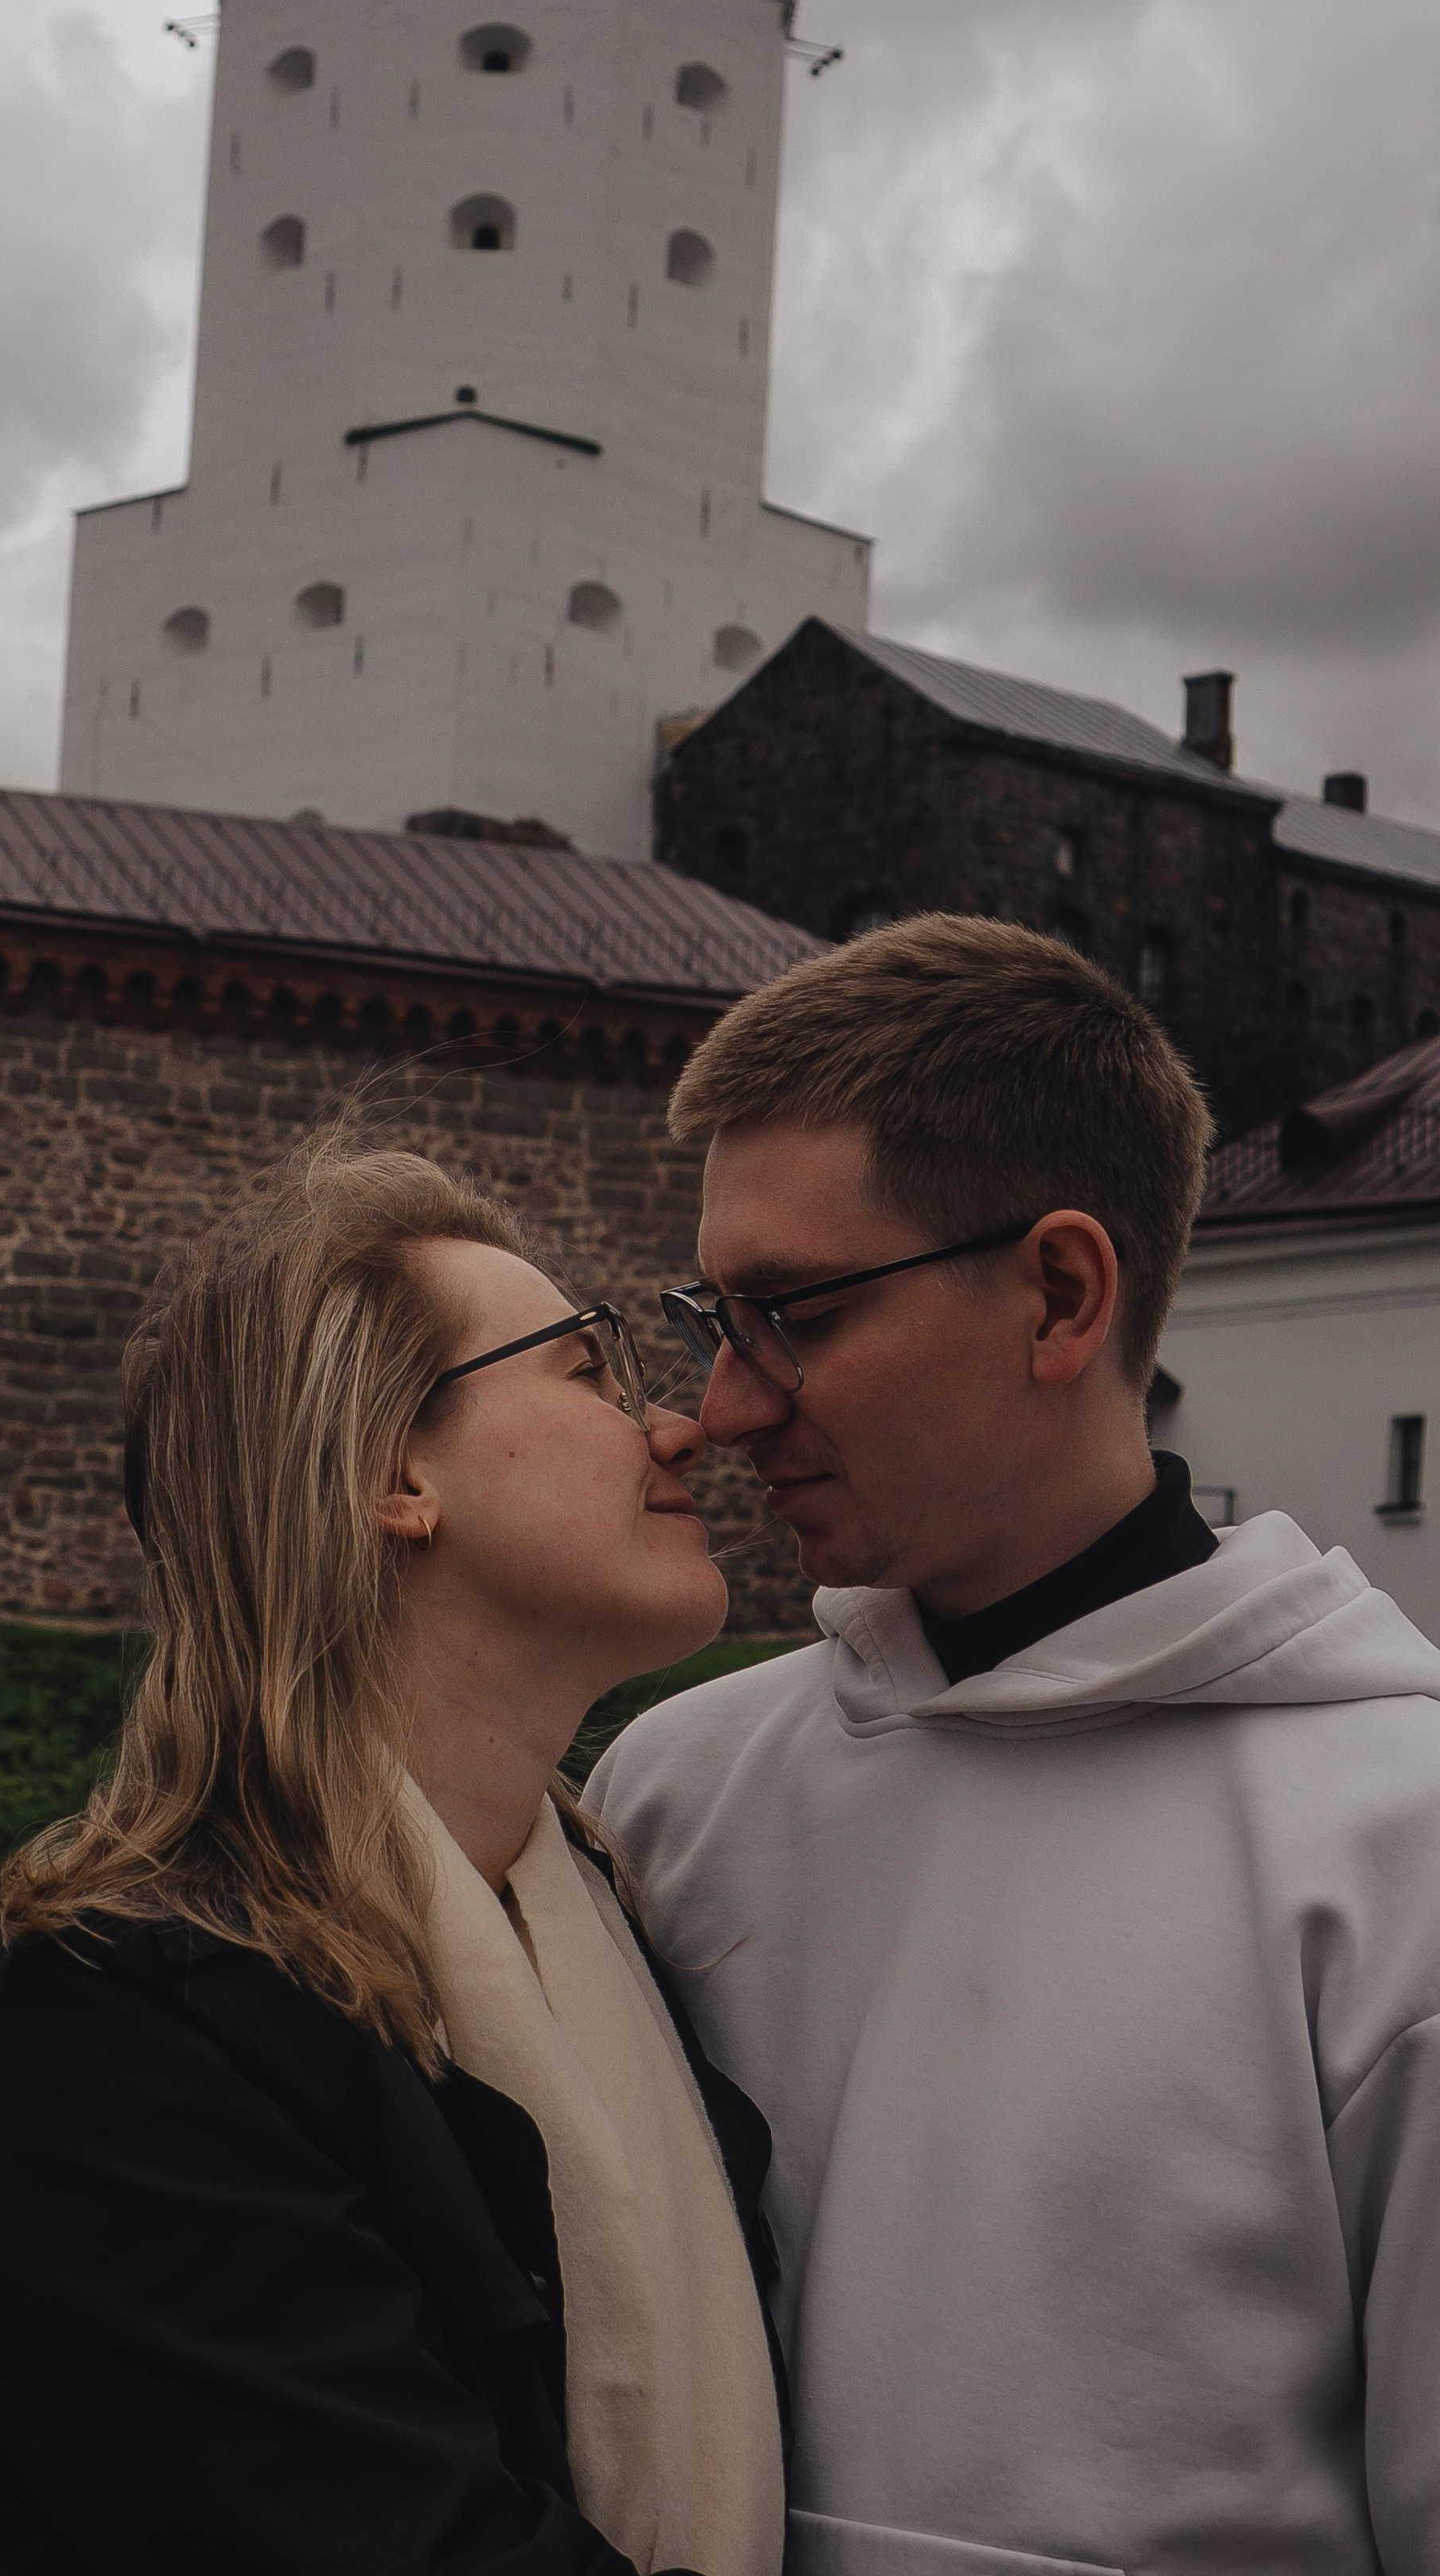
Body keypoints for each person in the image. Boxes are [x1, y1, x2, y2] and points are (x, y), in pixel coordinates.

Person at [585, 915, 1440, 2576]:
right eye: (712, 1316)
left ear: (1058, 1294)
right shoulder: (670, 1791)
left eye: (793, 1317)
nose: (723, 1406)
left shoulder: (1399, 1843)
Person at [0, 1141, 789, 2576]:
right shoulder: (129, 2032)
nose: (679, 1428)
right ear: (391, 1474)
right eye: (589, 1369)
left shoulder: (607, 1931)